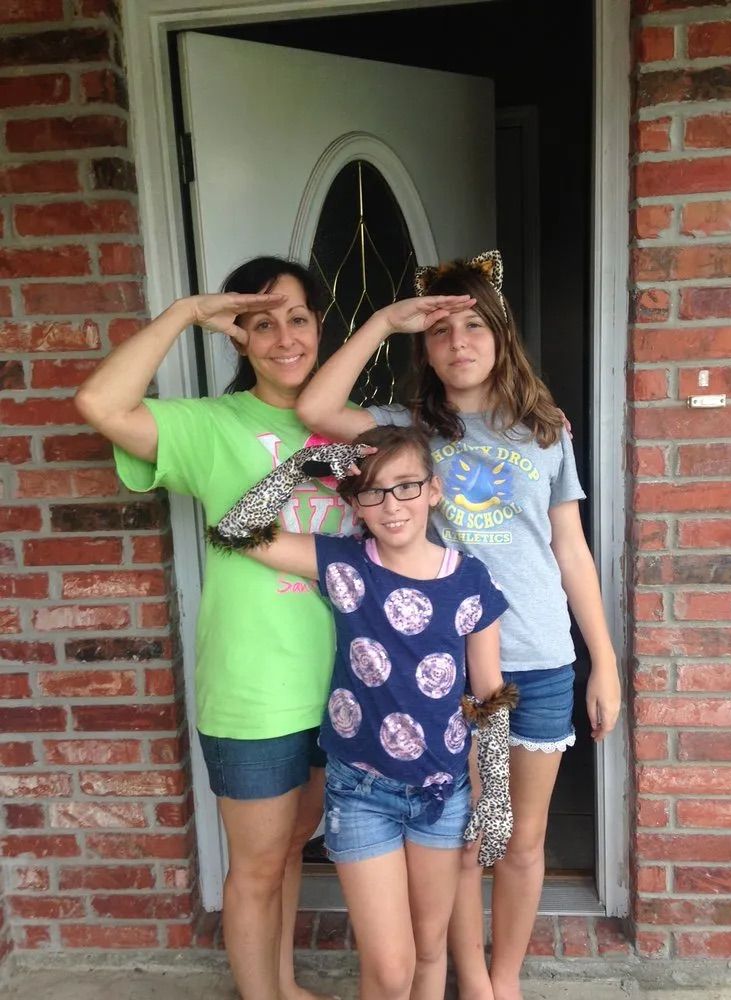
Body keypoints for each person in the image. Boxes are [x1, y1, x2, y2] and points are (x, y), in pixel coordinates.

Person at [73, 256, 471, 1000]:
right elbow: (99, 401)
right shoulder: (210, 425)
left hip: (349, 693)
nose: (285, 338)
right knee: (257, 866)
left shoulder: (356, 432)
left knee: (292, 847)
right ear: (239, 336)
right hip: (255, 689)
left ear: (320, 327)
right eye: (262, 323)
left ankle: (282, 987)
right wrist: (186, 312)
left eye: (298, 318)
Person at [293, 250, 622, 1000]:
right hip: (443, 669)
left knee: (521, 839)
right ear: (425, 348)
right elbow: (315, 409)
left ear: (502, 335)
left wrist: (602, 661)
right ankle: (470, 977)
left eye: (475, 325)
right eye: (440, 331)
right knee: (466, 837)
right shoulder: (408, 429)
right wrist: (385, 319)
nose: (459, 342)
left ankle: (503, 979)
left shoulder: (545, 430)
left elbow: (571, 549)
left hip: (538, 661)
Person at [214, 423, 512, 1000]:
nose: (391, 505)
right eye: (373, 491)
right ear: (354, 503)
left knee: (430, 950)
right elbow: (236, 530)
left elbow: (489, 696)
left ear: (434, 490)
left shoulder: (471, 578)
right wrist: (306, 465)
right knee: (392, 966)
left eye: (406, 486)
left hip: (441, 793)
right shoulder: (342, 562)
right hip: (361, 791)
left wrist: (496, 795)